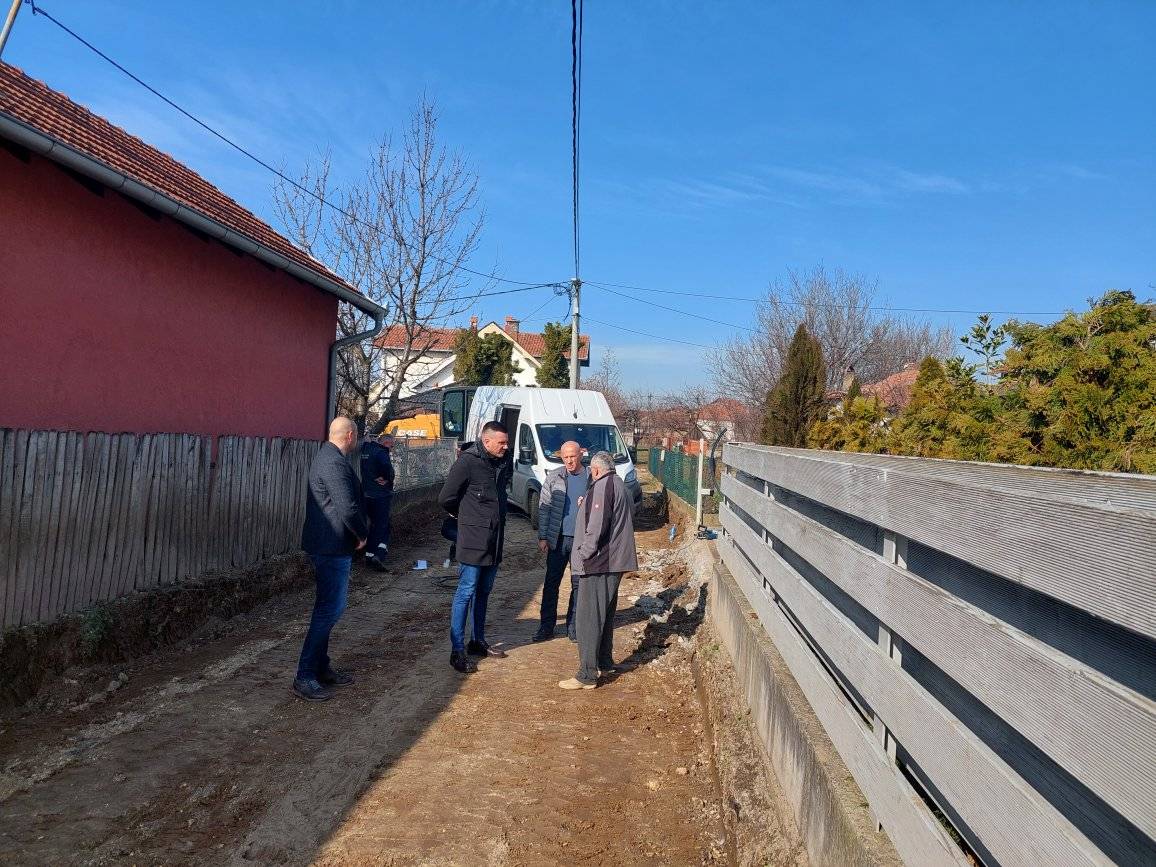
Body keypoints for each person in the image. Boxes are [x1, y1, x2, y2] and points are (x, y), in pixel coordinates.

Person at [294, 416, 368, 702]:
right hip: (331, 545)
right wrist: (361, 533)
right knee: (329, 610)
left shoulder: (328, 457)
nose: (356, 440)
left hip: (329, 544)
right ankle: (304, 675)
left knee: (328, 609)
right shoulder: (333, 462)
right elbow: (347, 507)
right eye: (356, 435)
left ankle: (321, 667)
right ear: (350, 435)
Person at [559, 450, 638, 690]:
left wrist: (582, 554)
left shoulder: (603, 487)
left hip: (599, 562)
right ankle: (604, 662)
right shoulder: (619, 484)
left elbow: (597, 526)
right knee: (604, 614)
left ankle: (587, 674)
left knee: (588, 618)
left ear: (595, 470)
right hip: (613, 561)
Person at [438, 421, 511, 674]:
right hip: (472, 540)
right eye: (501, 442)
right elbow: (446, 498)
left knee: (484, 592)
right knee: (466, 592)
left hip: (495, 540)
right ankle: (457, 650)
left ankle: (477, 640)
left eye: (506, 442)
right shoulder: (467, 462)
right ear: (486, 441)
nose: (505, 447)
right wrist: (467, 518)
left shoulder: (501, 461)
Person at [532, 441, 589, 642]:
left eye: (573, 456)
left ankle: (573, 627)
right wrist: (543, 536)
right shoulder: (554, 477)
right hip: (557, 539)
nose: (569, 461)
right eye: (565, 457)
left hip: (581, 541)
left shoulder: (591, 477)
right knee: (551, 583)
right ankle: (546, 627)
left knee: (578, 584)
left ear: (581, 454)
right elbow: (544, 507)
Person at [360, 431, 395, 572]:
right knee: (383, 526)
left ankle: (369, 556)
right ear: (386, 443)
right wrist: (387, 478)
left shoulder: (367, 449)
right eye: (391, 446)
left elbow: (367, 441)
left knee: (373, 526)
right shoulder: (381, 452)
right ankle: (379, 555)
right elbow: (387, 468)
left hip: (366, 494)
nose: (391, 449)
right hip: (380, 495)